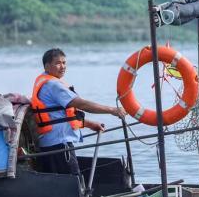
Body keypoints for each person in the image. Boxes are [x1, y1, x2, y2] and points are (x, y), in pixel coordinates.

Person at [30, 48, 127, 176]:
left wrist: (89, 124)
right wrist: (112, 110)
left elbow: (60, 116)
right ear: (47, 66)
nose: (63, 66)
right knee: (72, 183)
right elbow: (82, 104)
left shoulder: (48, 83)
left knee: (63, 183)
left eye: (64, 63)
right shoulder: (53, 85)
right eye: (58, 63)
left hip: (52, 144)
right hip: (59, 145)